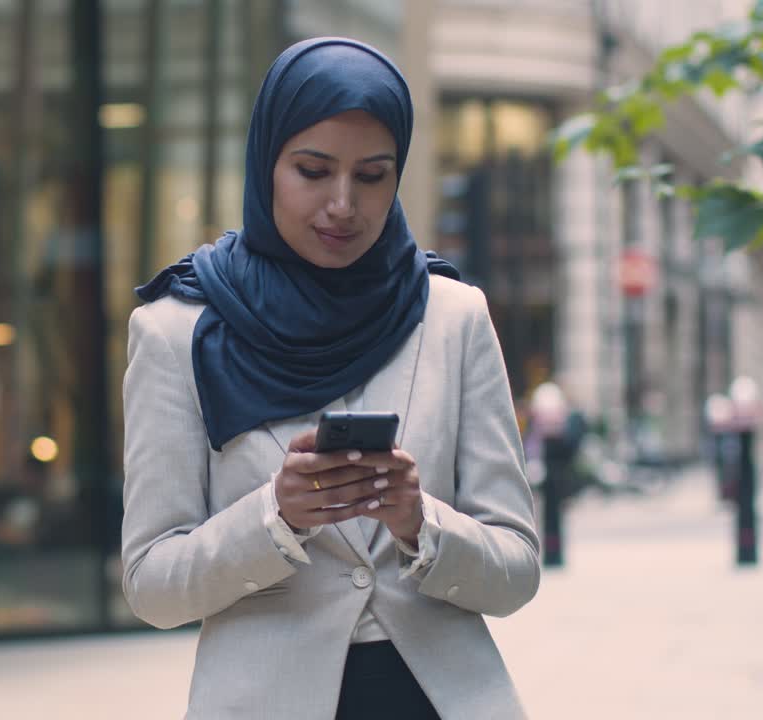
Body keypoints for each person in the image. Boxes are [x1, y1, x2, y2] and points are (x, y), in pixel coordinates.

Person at [121, 37, 540, 719]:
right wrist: (276, 516)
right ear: (266, 163)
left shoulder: (453, 316)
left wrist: (420, 522)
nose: (343, 204)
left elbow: (517, 569)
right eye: (313, 171)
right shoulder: (176, 330)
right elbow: (152, 586)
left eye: (372, 175)